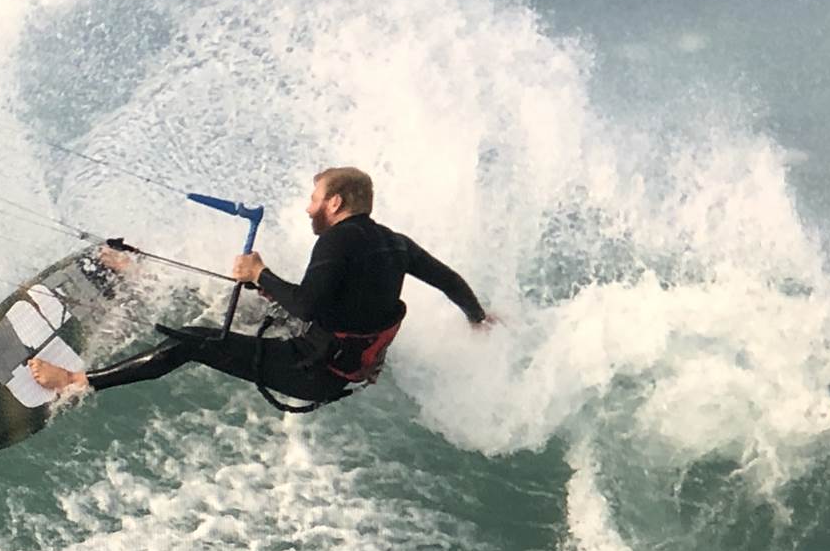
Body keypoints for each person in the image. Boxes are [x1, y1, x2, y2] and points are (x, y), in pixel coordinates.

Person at [31, 166, 490, 410]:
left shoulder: (337, 240)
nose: (308, 209)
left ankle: (75, 382)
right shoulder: (396, 243)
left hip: (312, 371)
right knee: (245, 305)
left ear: (334, 202)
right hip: (336, 363)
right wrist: (478, 318)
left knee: (192, 342)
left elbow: (307, 305)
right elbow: (450, 281)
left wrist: (260, 274)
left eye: (314, 199)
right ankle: (140, 271)